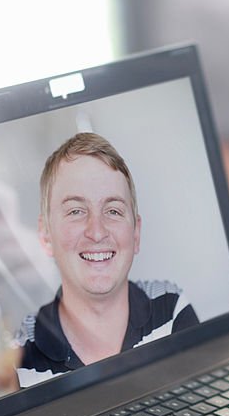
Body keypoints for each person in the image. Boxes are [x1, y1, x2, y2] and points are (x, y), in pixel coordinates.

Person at [15, 132, 199, 386]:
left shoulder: (171, 310)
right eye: (76, 211)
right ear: (46, 235)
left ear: (135, 234)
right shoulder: (20, 357)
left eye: (113, 210)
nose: (97, 231)